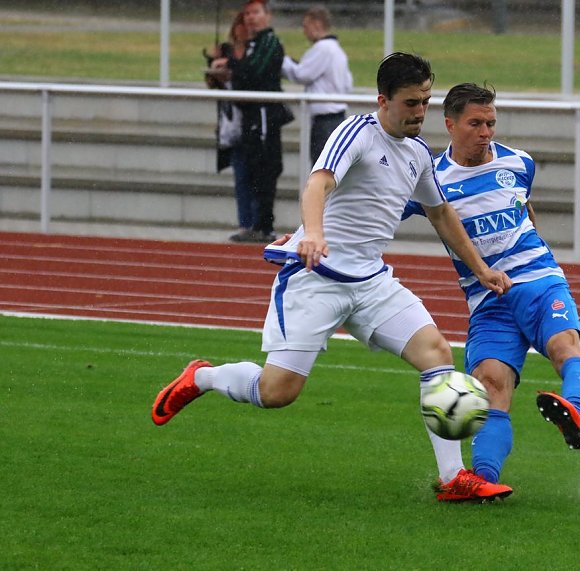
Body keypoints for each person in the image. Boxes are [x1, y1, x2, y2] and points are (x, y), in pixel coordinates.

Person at [151, 53, 514, 503]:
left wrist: (481, 268)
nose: (420, 112)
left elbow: (441, 214)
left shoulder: (419, 153)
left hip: (372, 282)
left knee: (437, 354)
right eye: (410, 103)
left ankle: (453, 477)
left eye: (424, 101)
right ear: (383, 100)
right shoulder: (356, 133)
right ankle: (203, 377)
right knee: (277, 392)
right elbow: (318, 184)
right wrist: (313, 234)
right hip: (316, 276)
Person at [401, 83, 580, 487]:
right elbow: (373, 209)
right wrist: (307, 234)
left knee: (564, 346)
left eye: (491, 123)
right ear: (450, 124)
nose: (486, 132)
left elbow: (524, 209)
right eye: (475, 124)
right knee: (491, 387)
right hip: (487, 300)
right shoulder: (430, 179)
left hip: (539, 281)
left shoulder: (519, 162)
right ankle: (483, 479)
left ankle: (574, 410)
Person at [210, 0, 290, 243]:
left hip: (264, 115)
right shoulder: (254, 45)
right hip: (251, 117)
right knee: (254, 169)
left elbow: (253, 74)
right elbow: (244, 75)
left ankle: (264, 226)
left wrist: (231, 65)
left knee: (265, 168)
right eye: (247, 14)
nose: (250, 18)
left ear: (267, 15)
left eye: (255, 12)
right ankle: (258, 224)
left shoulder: (269, 42)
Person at [204, 12, 258, 242]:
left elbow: (249, 76)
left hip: (251, 123)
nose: (243, 31)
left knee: (256, 176)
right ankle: (245, 223)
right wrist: (211, 61)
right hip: (230, 124)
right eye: (240, 26)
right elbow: (211, 82)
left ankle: (258, 223)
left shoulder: (254, 52)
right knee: (241, 177)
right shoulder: (225, 51)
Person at [280, 5, 353, 165]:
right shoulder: (338, 51)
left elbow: (302, 74)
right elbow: (348, 83)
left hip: (325, 122)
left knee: (322, 168)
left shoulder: (323, 49)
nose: (304, 31)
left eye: (306, 26)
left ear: (317, 24)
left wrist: (281, 60)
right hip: (337, 118)